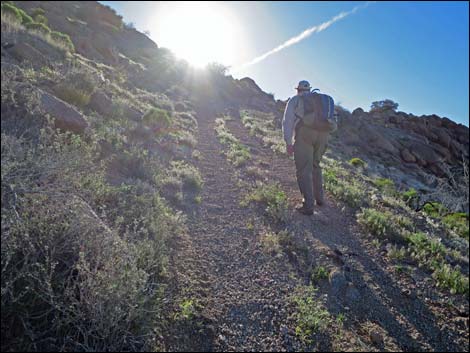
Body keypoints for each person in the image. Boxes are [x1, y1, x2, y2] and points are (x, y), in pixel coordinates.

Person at [282, 80, 333, 215]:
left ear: (298, 90)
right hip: (324, 135)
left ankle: (308, 206)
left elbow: (288, 121)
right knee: (316, 165)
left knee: (304, 169)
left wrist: (288, 142)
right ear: (309, 89)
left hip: (305, 133)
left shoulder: (296, 100)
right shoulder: (321, 100)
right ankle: (320, 199)